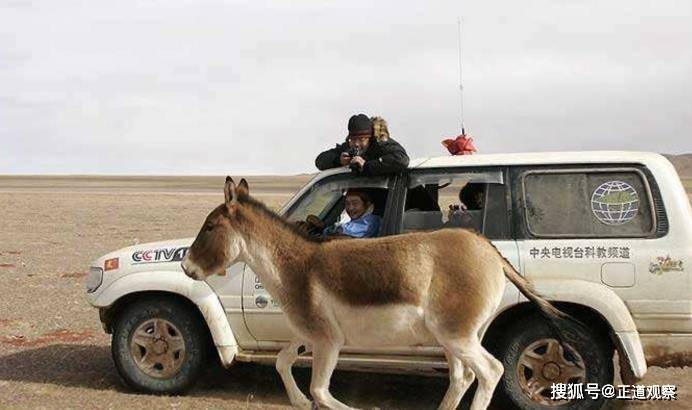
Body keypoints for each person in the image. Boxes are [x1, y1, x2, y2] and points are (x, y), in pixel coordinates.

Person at [315, 114, 409, 176]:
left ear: (370, 138)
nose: (356, 144)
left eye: (361, 139)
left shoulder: (381, 143)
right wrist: (339, 160)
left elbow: (401, 159)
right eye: (353, 139)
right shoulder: (348, 147)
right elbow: (320, 161)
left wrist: (366, 165)